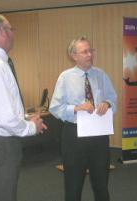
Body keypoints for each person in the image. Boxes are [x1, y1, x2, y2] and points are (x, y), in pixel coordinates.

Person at [0, 14, 47, 201]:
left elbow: (2, 109)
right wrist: (32, 127)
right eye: (11, 29)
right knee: (1, 195)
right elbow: (4, 118)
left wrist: (23, 118)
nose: (13, 33)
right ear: (1, 32)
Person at [49, 36, 117, 201]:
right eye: (84, 51)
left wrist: (107, 103)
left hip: (99, 136)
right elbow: (55, 108)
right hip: (74, 136)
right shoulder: (65, 77)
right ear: (74, 55)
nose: (89, 55)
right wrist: (77, 108)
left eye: (90, 50)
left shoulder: (101, 75)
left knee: (101, 185)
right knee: (73, 186)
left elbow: (113, 98)